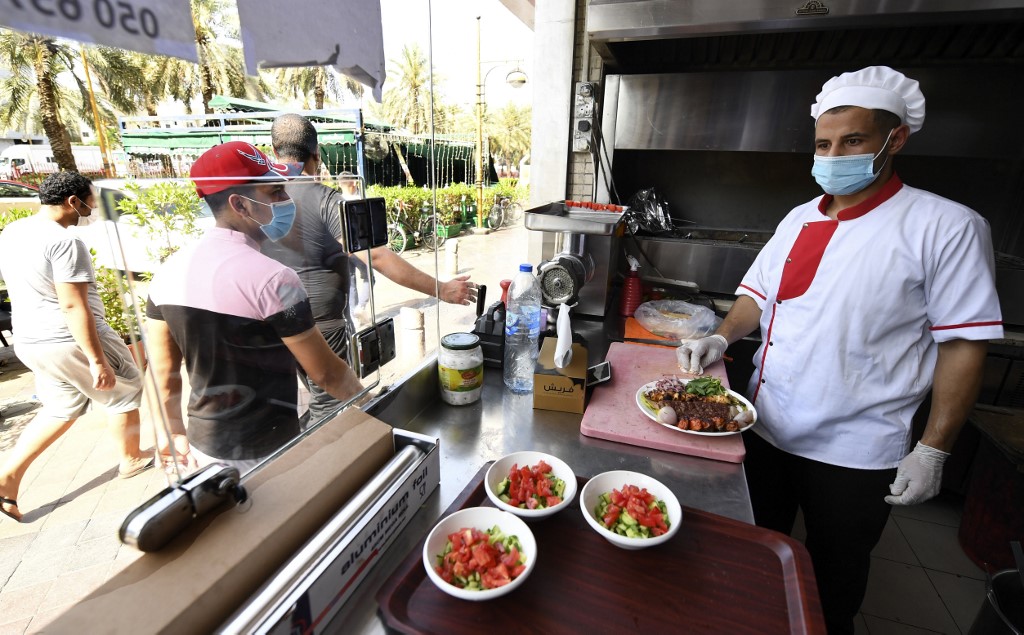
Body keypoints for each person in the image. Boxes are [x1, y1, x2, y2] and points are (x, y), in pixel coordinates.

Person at [676, 66, 1002, 634]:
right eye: (824, 144)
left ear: (895, 139)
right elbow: (756, 296)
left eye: (852, 141)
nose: (833, 156)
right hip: (764, 426)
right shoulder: (799, 217)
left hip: (855, 450)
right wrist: (721, 336)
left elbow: (964, 346)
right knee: (756, 557)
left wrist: (934, 449)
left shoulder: (946, 226)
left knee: (832, 584)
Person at [145, 141, 364, 474]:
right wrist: (371, 403)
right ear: (240, 205)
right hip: (266, 450)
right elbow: (326, 374)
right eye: (275, 191)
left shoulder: (168, 271)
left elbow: (162, 374)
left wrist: (172, 430)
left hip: (203, 446)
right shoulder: (275, 279)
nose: (286, 200)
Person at [263, 113, 478, 424]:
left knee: (310, 396)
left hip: (274, 323)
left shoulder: (259, 199)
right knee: (330, 410)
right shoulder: (327, 200)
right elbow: (376, 257)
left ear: (274, 151)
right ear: (317, 154)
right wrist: (441, 289)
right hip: (322, 327)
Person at [0, 171, 153, 522]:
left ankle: (7, 478)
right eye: (91, 200)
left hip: (30, 339)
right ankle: (131, 458)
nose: (93, 207)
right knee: (126, 387)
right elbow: (73, 305)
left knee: (60, 407)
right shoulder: (66, 242)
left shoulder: (14, 231)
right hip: (68, 339)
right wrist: (97, 359)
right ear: (73, 201)